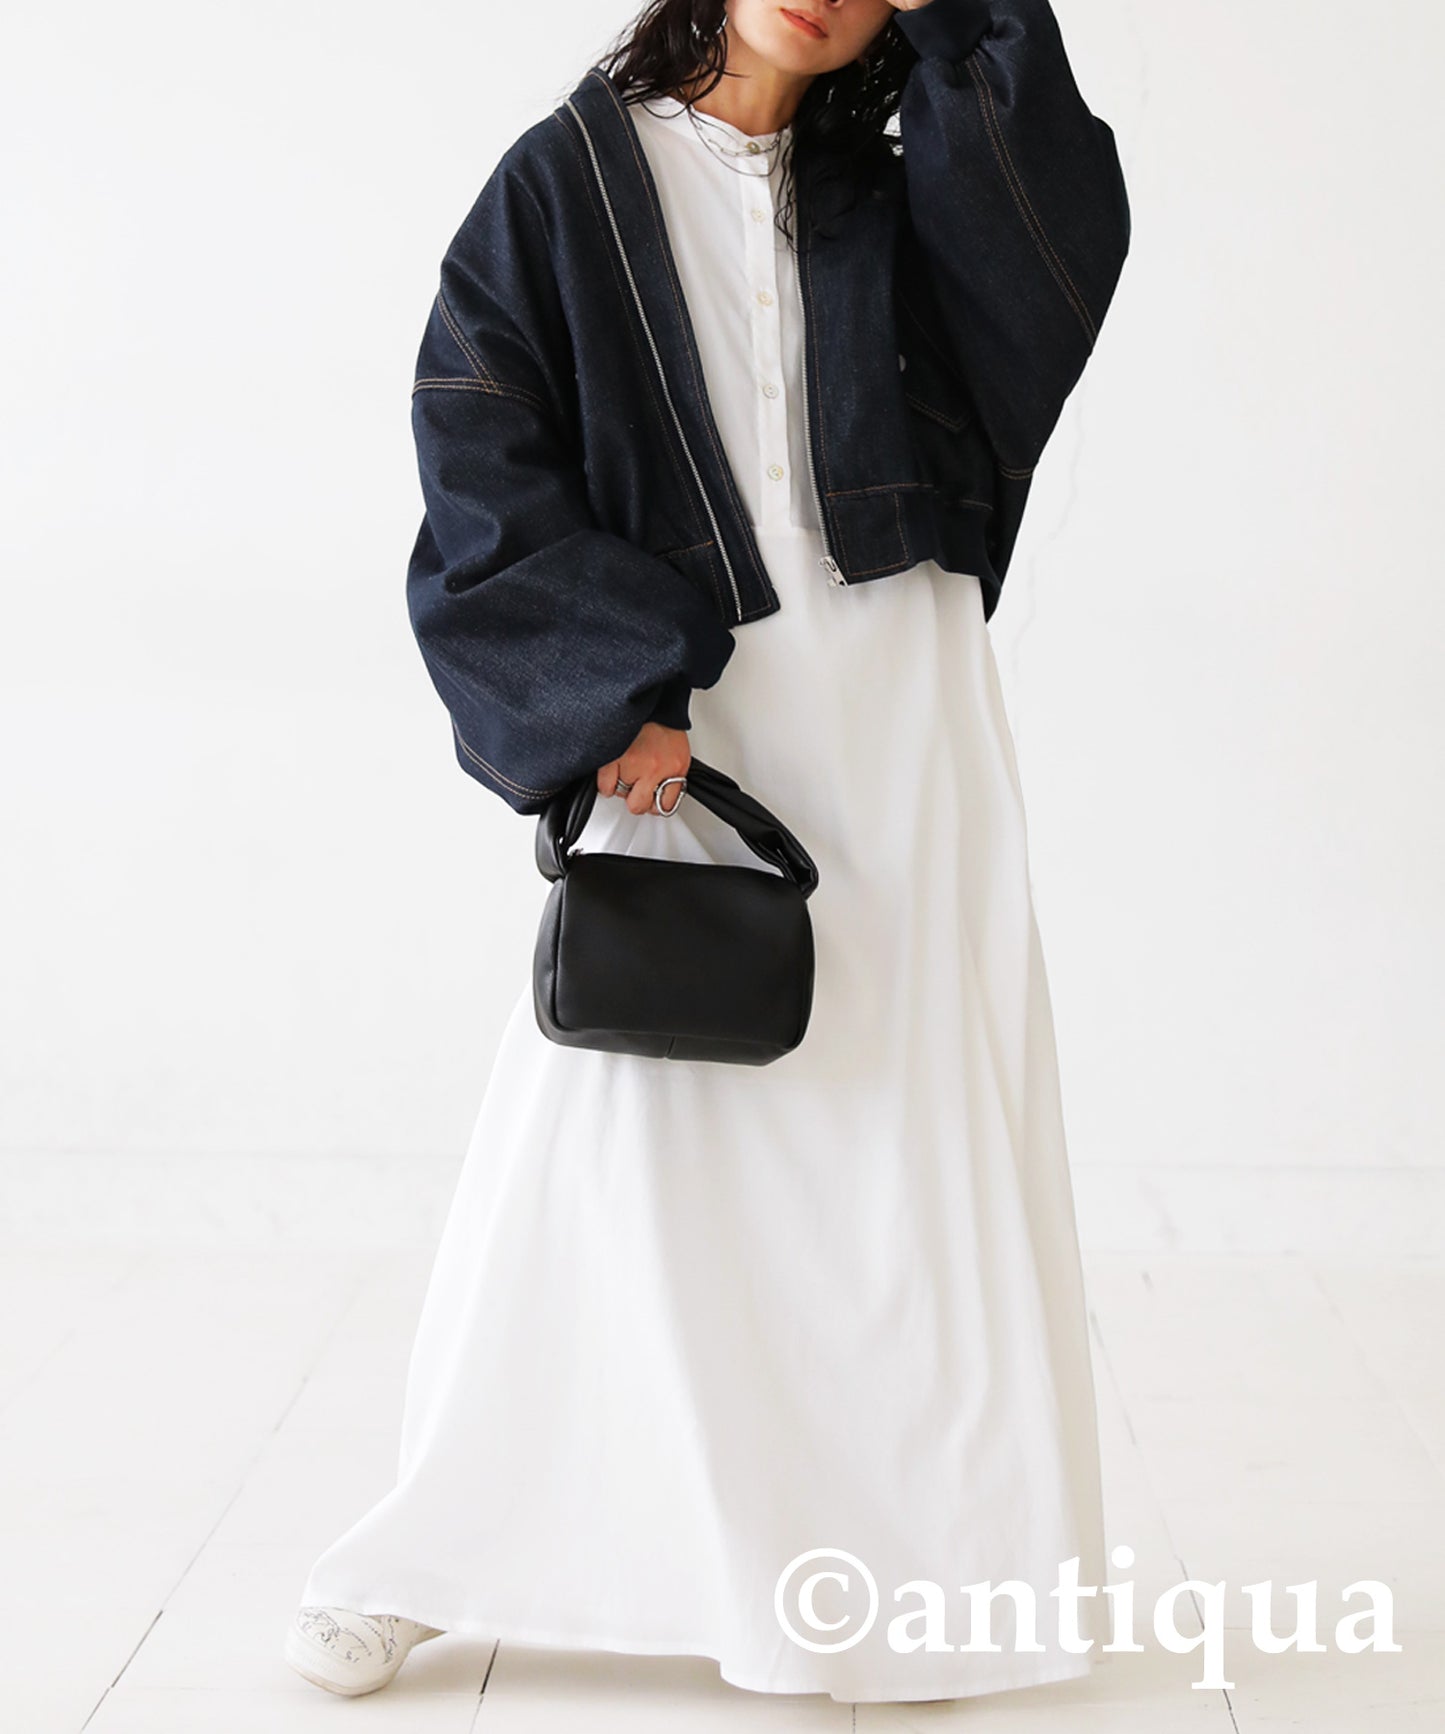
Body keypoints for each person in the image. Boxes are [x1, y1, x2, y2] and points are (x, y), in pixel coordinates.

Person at [285, 0, 1130, 1705]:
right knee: (613, 1119)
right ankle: (424, 1552)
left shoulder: (896, 182)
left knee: (899, 1127)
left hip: (896, 691)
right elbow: (479, 443)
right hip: (699, 700)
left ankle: (893, 1580)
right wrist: (610, 688)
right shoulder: (567, 177)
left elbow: (1054, 256)